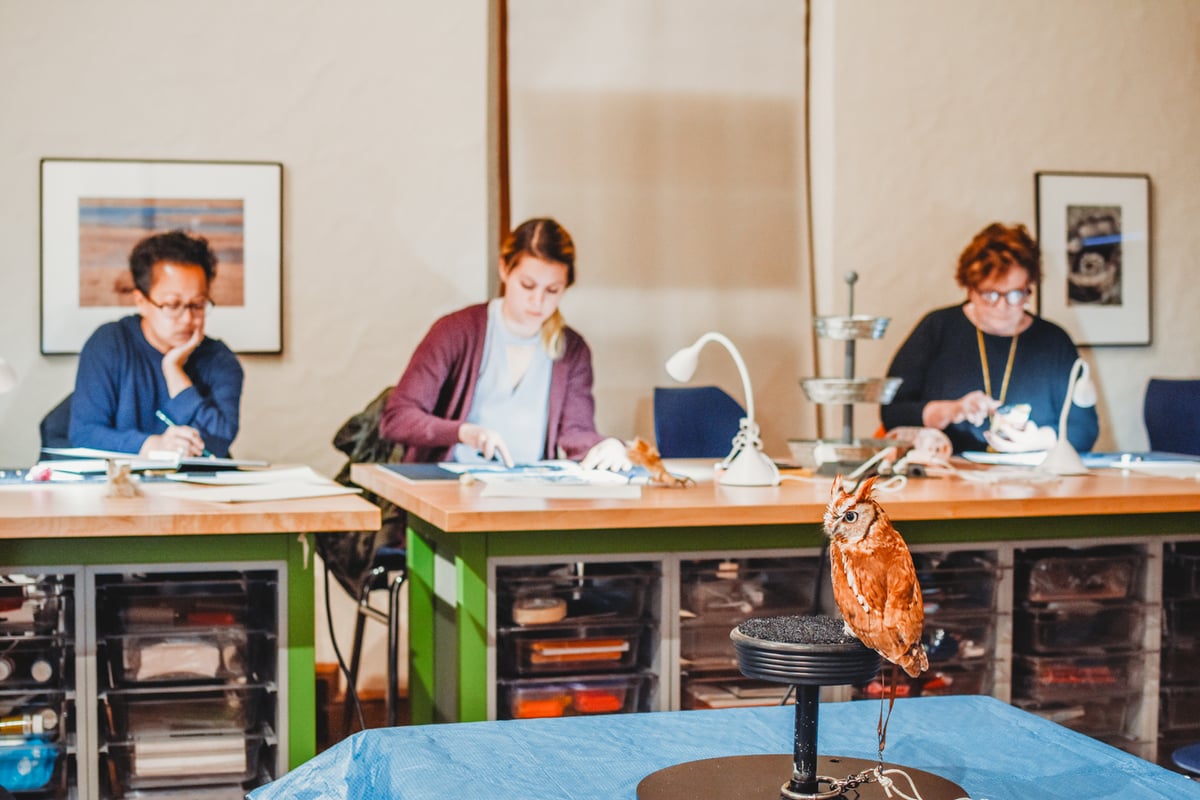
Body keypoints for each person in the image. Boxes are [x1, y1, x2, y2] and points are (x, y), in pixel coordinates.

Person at [380, 217, 629, 471]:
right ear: (504, 270)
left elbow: (577, 433)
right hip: (451, 486)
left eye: (552, 290)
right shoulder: (457, 332)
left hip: (531, 487)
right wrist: (463, 432)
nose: (537, 300)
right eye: (527, 285)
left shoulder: (571, 350)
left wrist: (609, 446)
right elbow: (397, 418)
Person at [881, 222, 1098, 455]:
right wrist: (951, 410)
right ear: (970, 289)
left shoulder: (1053, 341)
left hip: (1032, 484)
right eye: (990, 294)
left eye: (1016, 294)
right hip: (948, 479)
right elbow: (892, 413)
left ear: (1029, 286)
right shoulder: (938, 328)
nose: (1003, 306)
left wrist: (1040, 439)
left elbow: (1084, 429)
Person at [69, 230, 244, 458]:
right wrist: (152, 445)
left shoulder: (220, 360)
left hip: (197, 490)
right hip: (122, 488)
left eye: (198, 305)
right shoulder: (109, 344)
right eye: (172, 305)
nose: (187, 319)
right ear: (141, 301)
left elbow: (218, 443)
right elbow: (84, 434)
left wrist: (174, 372)